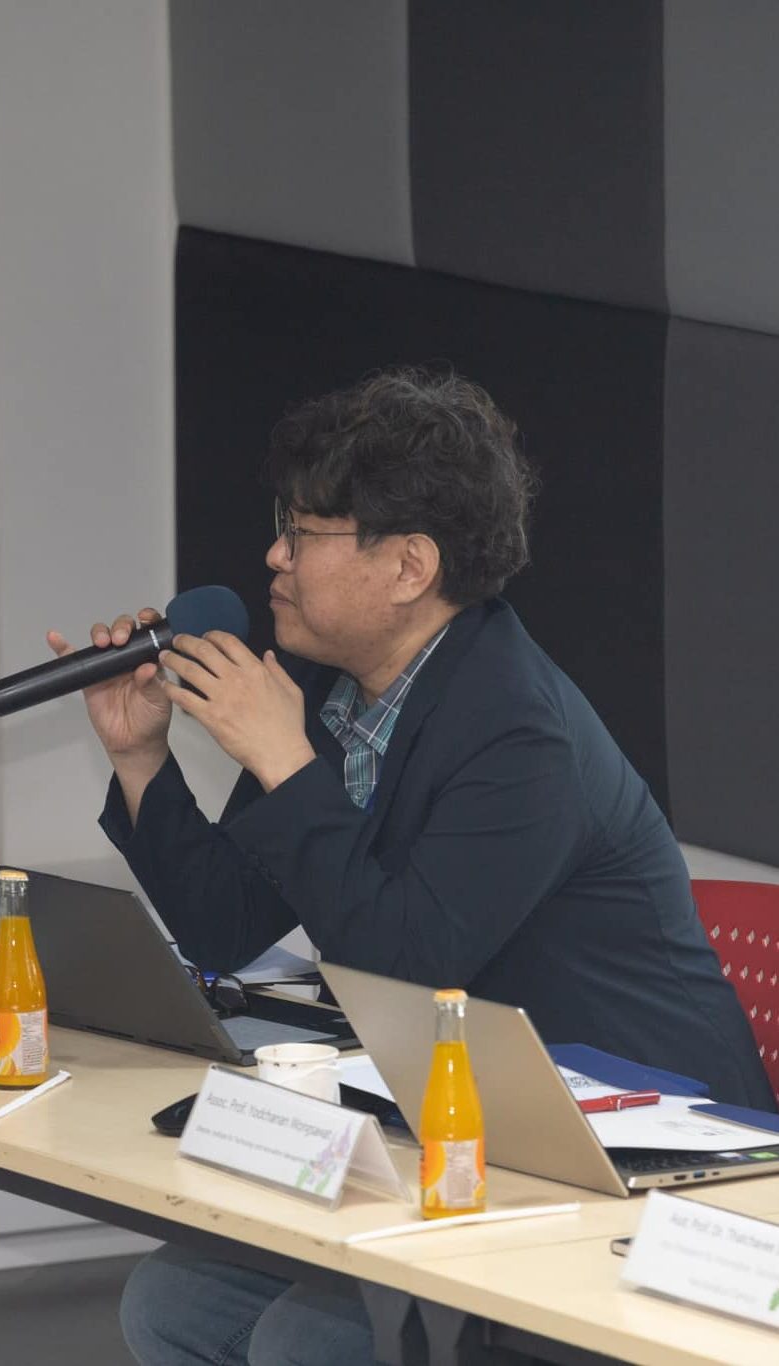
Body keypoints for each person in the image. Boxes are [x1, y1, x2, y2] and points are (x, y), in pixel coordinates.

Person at [46, 367, 774, 1366]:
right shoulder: (329, 685)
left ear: (407, 567)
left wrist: (285, 762)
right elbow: (225, 924)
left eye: (303, 532)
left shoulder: (518, 732)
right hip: (465, 1115)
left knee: (308, 1340)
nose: (273, 556)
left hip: (630, 1148)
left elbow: (404, 963)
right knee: (175, 1303)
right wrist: (141, 759)